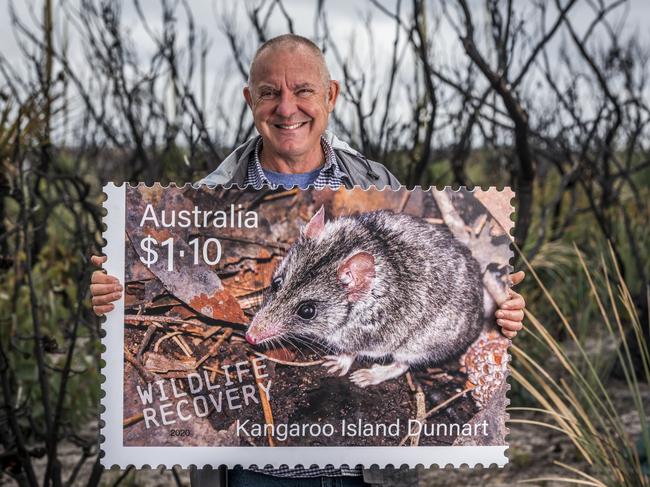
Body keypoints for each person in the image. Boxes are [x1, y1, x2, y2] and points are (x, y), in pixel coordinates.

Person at [90, 34, 526, 487]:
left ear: (330, 96)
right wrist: (114, 296)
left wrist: (504, 316)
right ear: (249, 100)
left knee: (396, 343)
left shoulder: (379, 184)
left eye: (302, 91)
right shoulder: (204, 199)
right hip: (248, 474)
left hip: (356, 475)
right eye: (269, 93)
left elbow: (395, 316)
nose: (286, 108)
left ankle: (395, 364)